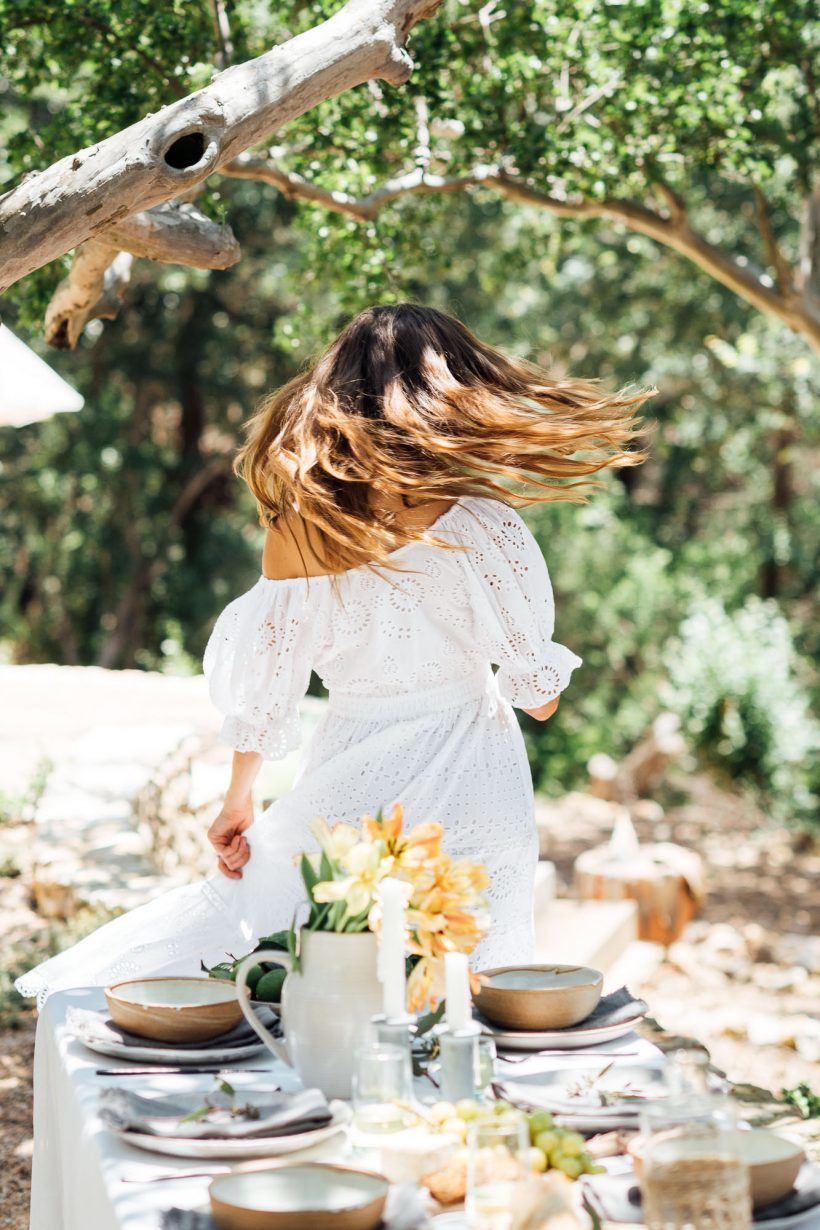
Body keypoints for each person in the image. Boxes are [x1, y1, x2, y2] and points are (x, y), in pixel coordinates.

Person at [15, 303, 649, 1005]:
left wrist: (238, 799)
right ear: (454, 391)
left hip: (355, 767)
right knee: (466, 980)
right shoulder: (487, 524)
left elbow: (269, 689)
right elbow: (539, 697)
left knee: (325, 960)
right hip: (476, 774)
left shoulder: (301, 529)